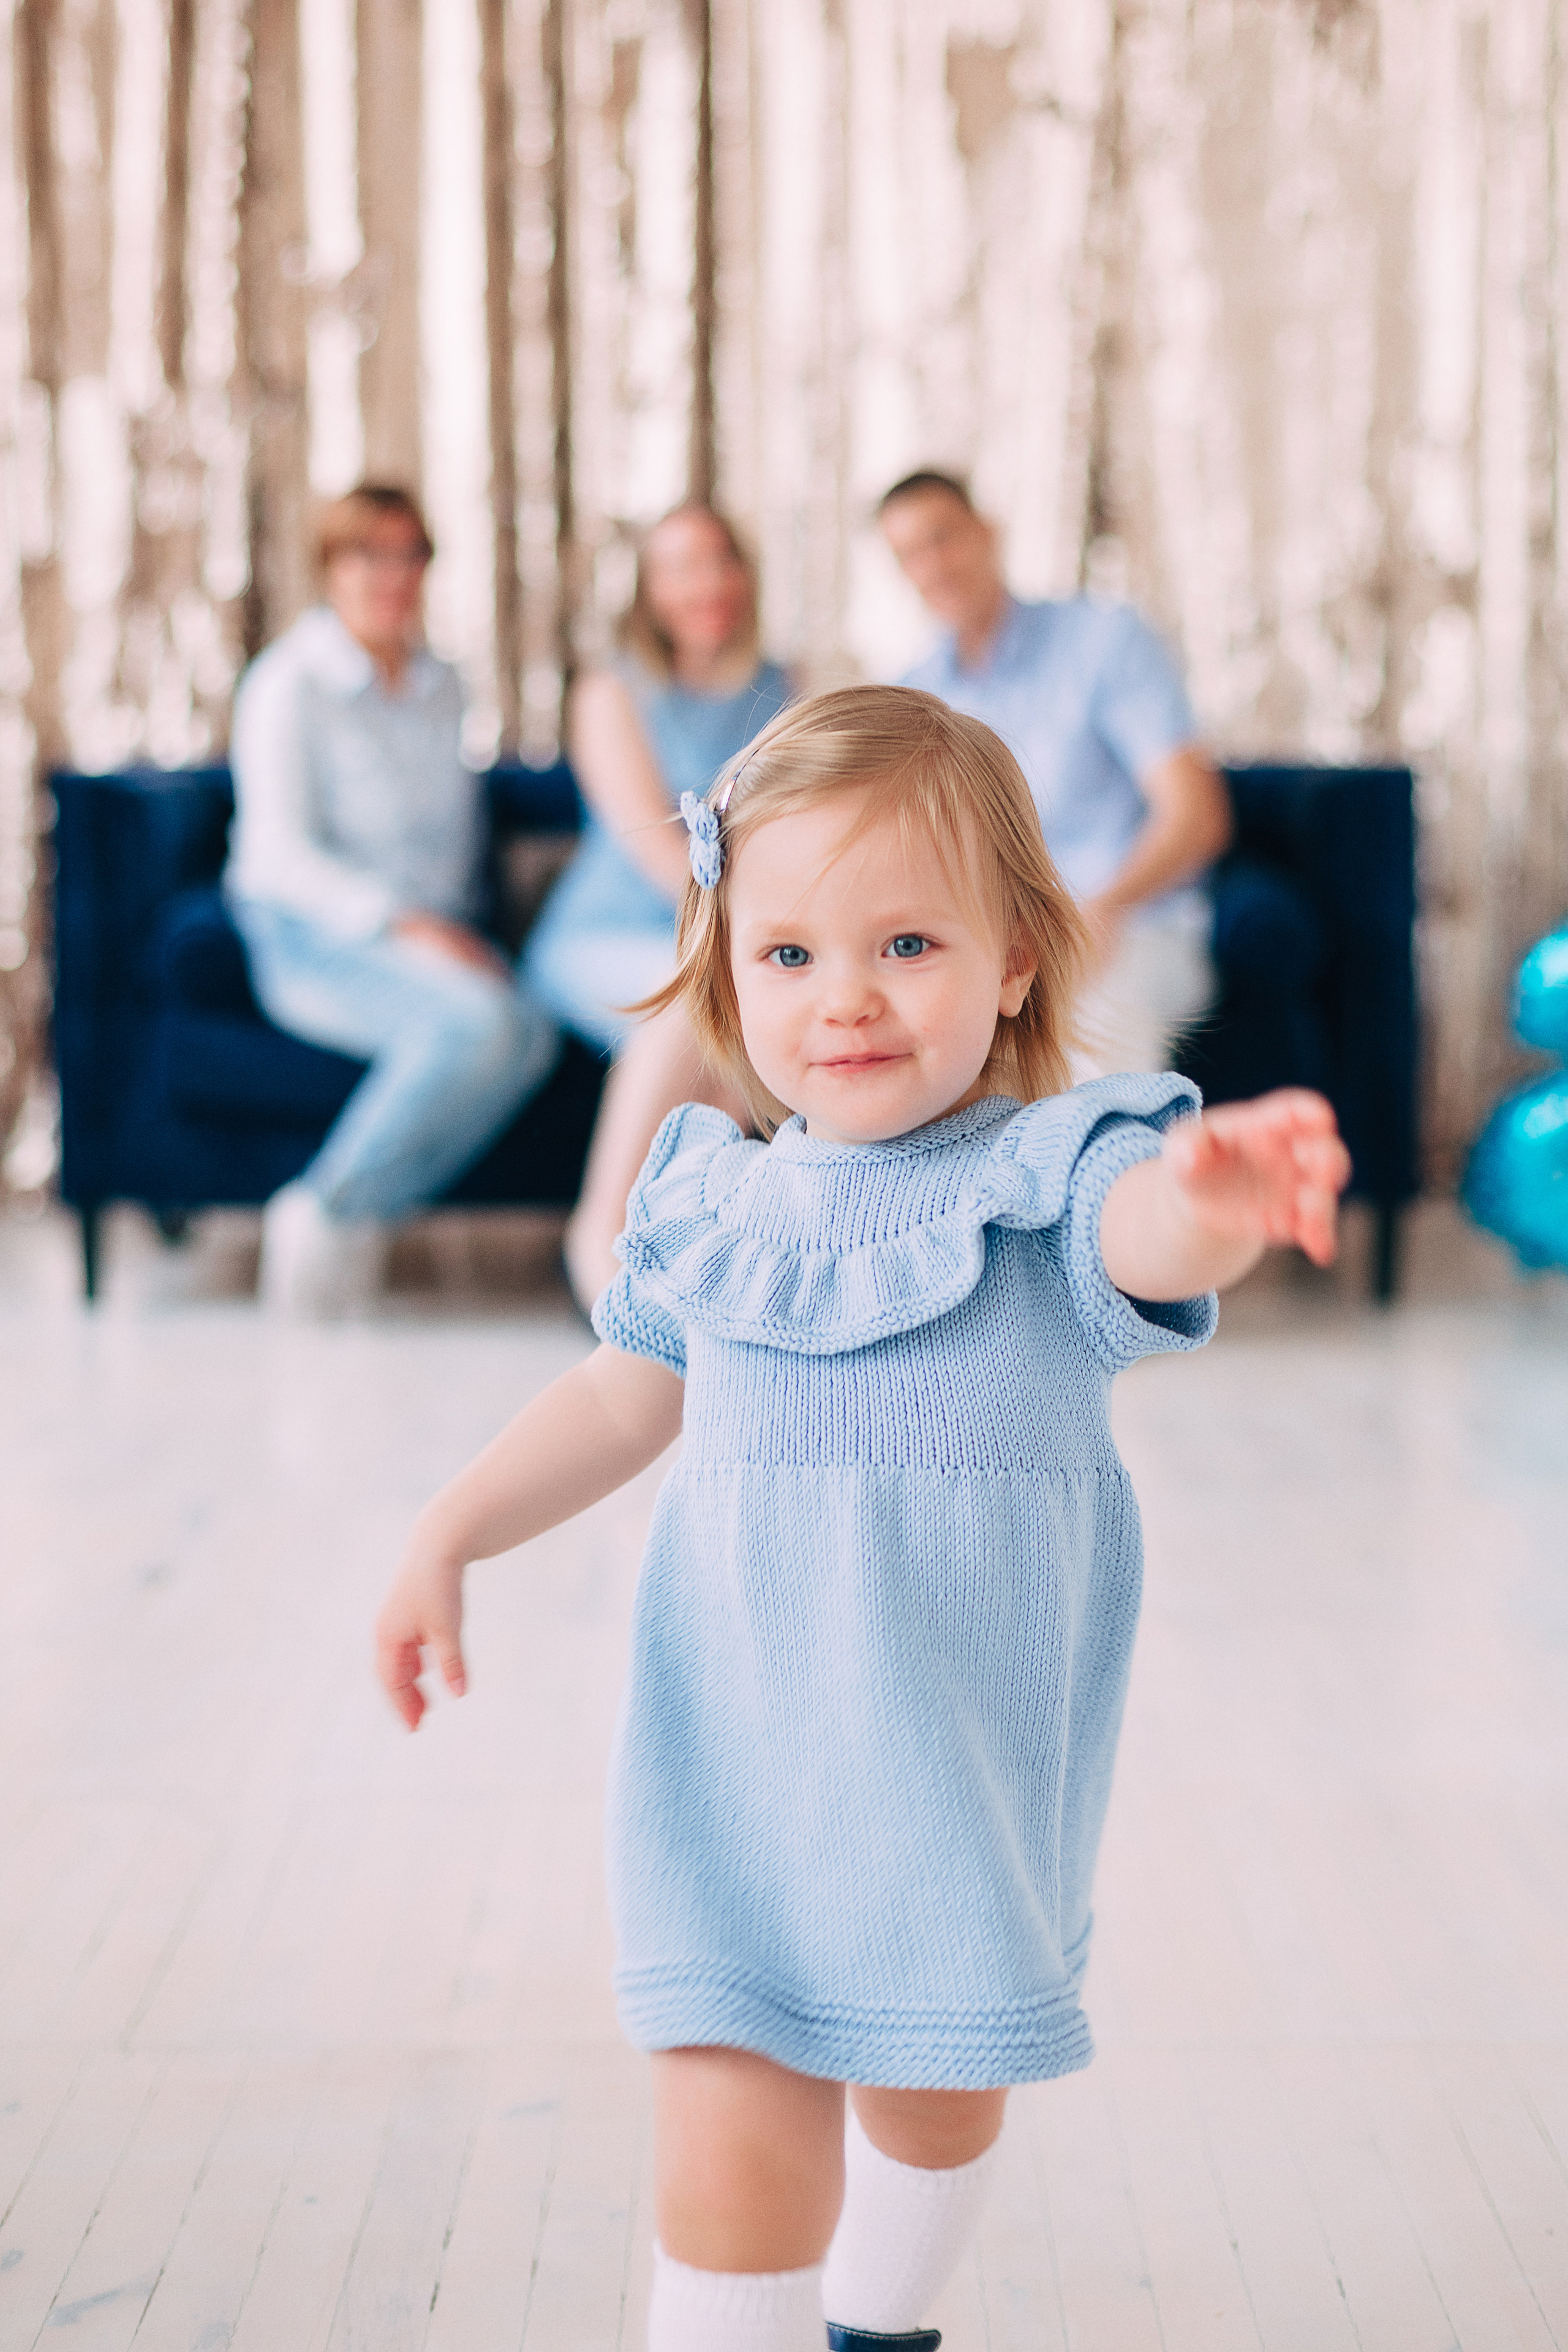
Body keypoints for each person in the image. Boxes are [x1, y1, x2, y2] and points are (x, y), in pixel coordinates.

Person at [374, 686, 1348, 2351]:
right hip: (729, 1787)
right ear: (727, 971)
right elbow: (625, 1392)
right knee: (729, 2186)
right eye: (790, 956)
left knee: (933, 2115)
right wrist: (450, 1527)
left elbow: (1152, 1243)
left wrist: (1213, 1202)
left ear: (1017, 962)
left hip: (952, 1801)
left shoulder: (1058, 1182)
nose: (846, 1003)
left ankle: (883, 2323)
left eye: (907, 945)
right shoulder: (712, 1199)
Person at [225, 483, 558, 1316]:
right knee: (478, 1025)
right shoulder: (287, 684)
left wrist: (449, 929)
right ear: (331, 568)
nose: (392, 575)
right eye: (369, 555)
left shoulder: (443, 685)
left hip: (426, 931)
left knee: (532, 1036)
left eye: (410, 554)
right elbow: (276, 852)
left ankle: (359, 1216)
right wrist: (412, 928)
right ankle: (326, 1210)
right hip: (314, 929)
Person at [878, 469, 1234, 1076]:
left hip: (1129, 924)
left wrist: (1100, 910)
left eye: (944, 538)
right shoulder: (916, 692)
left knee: (1093, 1037)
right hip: (999, 945)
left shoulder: (1102, 640)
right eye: (910, 555)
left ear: (987, 533)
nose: (933, 566)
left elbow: (1197, 817)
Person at [525, 505, 791, 1307]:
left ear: (745, 575)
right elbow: (656, 850)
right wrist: (751, 950)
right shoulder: (612, 693)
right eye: (680, 567)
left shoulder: (789, 689)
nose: (705, 583)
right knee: (690, 1001)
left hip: (732, 935)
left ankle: (680, 1253)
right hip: (612, 933)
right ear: (649, 590)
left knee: (740, 1039)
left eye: (719, 561)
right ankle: (598, 1242)